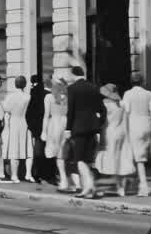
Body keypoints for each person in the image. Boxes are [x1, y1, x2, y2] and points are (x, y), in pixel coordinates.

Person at [64, 65, 105, 199]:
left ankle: (88, 187)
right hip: (92, 127)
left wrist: (68, 128)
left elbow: (71, 111)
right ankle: (89, 186)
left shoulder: (72, 89)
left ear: (73, 75)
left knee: (79, 159)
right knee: (87, 158)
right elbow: (102, 109)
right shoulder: (94, 87)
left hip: (78, 127)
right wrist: (99, 125)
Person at [120, 70, 151, 196]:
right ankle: (133, 182)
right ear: (142, 82)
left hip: (134, 125)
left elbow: (126, 111)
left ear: (131, 82)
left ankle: (142, 186)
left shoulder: (128, 94)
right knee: (140, 156)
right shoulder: (149, 94)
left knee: (136, 158)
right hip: (147, 124)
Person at [0, 76, 33, 183]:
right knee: (28, 148)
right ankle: (28, 174)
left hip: (13, 122)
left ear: (15, 84)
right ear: (24, 85)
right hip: (25, 122)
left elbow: (5, 108)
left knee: (14, 149)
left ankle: (14, 175)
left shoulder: (11, 96)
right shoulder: (28, 96)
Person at [41, 79, 71, 192]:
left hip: (54, 124)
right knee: (64, 153)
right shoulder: (68, 97)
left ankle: (63, 179)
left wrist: (43, 131)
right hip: (65, 124)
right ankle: (66, 179)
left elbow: (46, 115)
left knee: (57, 154)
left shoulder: (49, 97)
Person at [26, 73, 50, 183]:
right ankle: (47, 174)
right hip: (48, 125)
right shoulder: (47, 93)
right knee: (45, 151)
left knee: (38, 150)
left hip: (37, 126)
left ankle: (37, 173)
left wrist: (31, 126)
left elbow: (29, 112)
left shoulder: (33, 92)